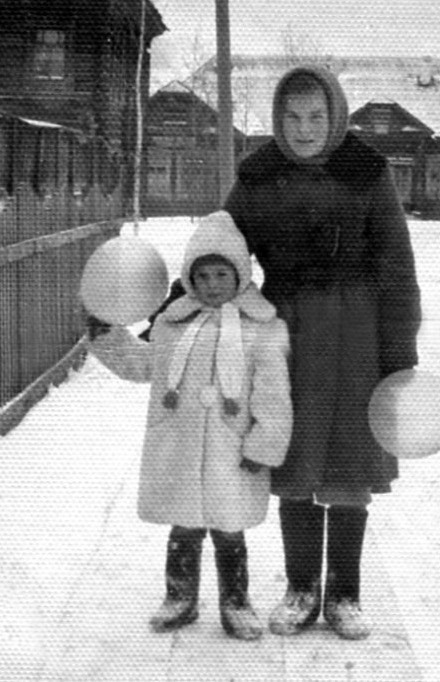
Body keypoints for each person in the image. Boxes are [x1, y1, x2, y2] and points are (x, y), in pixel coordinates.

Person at [223, 65, 422, 640]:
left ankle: (344, 594)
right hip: (286, 336)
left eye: (316, 116)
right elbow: (219, 251)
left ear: (335, 115)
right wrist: (173, 309)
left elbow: (397, 267)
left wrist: (399, 356)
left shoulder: (366, 173)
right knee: (295, 458)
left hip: (358, 337)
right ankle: (301, 588)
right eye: (292, 117)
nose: (304, 128)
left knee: (349, 464)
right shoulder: (259, 176)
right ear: (277, 119)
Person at [87, 211, 293, 641]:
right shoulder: (172, 324)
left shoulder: (263, 329)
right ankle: (179, 597)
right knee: (184, 525)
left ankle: (236, 602)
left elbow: (274, 396)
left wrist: (264, 444)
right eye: (203, 275)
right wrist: (107, 337)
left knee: (229, 526)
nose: (212, 284)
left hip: (233, 449)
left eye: (221, 274)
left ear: (240, 274)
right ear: (189, 277)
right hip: (180, 444)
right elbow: (143, 364)